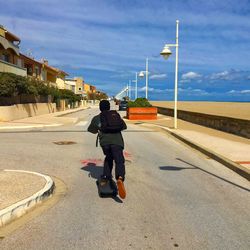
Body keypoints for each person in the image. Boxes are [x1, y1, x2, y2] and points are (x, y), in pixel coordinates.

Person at [87, 100, 127, 199]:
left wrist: (100, 128)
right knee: (119, 161)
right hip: (117, 142)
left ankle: (106, 176)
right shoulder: (115, 115)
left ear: (100, 108)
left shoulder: (97, 118)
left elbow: (91, 130)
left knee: (108, 158)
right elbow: (124, 126)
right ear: (109, 107)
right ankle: (120, 178)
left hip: (105, 144)